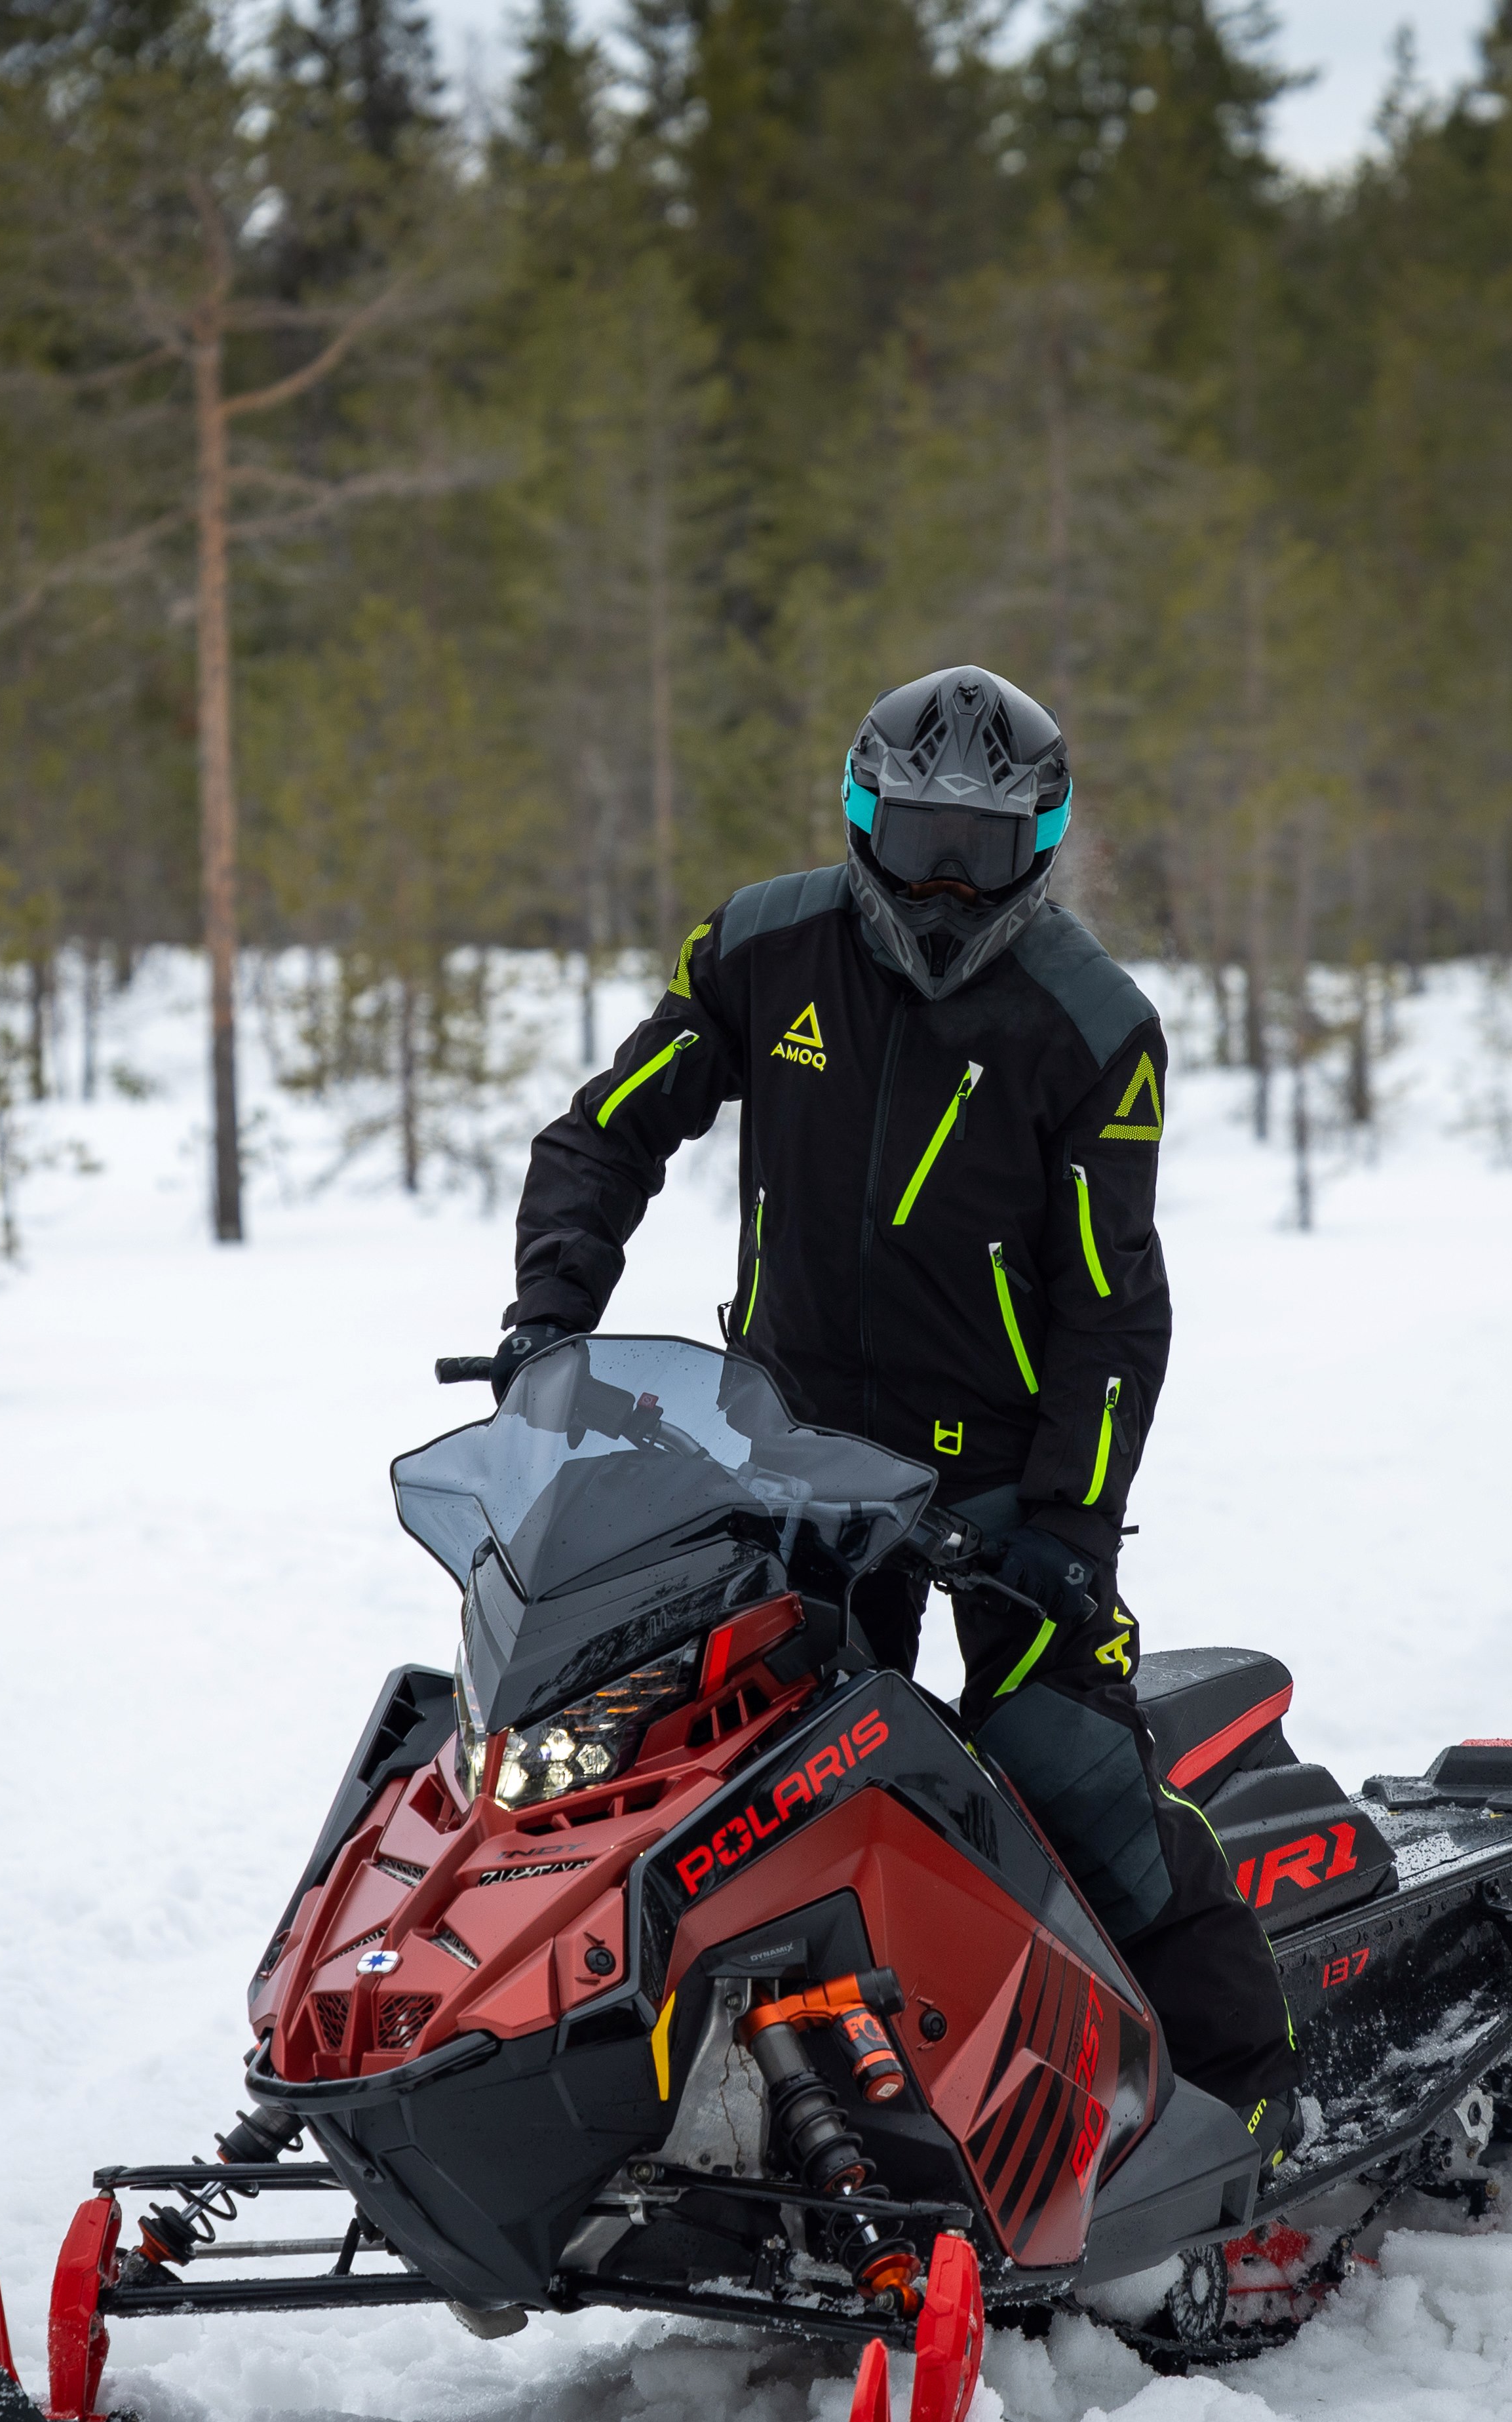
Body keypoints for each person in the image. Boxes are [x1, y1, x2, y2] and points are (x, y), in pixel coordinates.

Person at [497, 663, 1297, 2136]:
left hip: (996, 1487)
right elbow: (605, 1134)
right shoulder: (762, 944)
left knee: (1071, 1773)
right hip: (784, 1457)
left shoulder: (1089, 1022)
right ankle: (701, 2107)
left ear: (1038, 847)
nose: (941, 884)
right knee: (711, 1775)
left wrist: (1072, 1526)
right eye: (918, 838)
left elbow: (1113, 1306)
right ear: (861, 817)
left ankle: (1249, 2114)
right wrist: (550, 1317)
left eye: (979, 852)